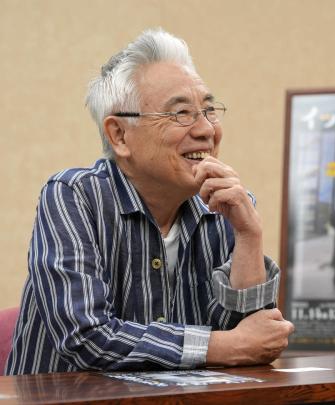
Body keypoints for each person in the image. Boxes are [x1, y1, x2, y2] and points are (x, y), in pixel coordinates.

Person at [5, 28, 294, 375]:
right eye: (181, 113)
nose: (206, 130)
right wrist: (223, 345)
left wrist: (249, 236)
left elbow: (254, 343)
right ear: (119, 135)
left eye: (209, 109)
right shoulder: (74, 196)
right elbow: (86, 337)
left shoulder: (224, 206)